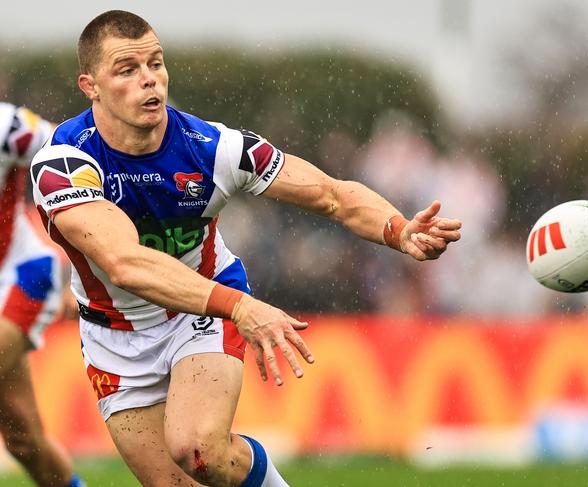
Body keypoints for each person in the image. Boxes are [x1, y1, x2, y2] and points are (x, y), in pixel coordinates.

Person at [30, 10, 462, 487]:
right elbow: (123, 263)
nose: (149, 80)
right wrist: (245, 308)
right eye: (127, 70)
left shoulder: (213, 148)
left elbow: (331, 194)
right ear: (90, 86)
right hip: (113, 336)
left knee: (199, 452)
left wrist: (398, 229)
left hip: (203, 312)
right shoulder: (63, 163)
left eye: (155, 63)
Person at [0, 102, 85, 486]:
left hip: (19, 277)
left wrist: (85, 268)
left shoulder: (9, 127)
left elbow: (71, 162)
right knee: (24, 440)